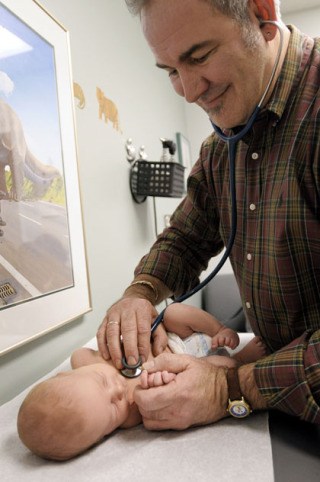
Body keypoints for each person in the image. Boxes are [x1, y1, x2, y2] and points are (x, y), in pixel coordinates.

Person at [96, 0, 320, 428]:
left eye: (199, 57)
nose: (189, 91)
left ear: (262, 14)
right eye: (170, 71)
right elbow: (186, 238)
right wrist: (139, 296)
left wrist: (230, 389)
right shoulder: (221, 149)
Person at [17, 303, 266, 460]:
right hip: (197, 365)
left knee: (174, 311)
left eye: (102, 383)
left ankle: (219, 329)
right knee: (222, 367)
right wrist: (161, 378)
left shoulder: (84, 363)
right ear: (102, 436)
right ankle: (241, 358)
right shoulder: (134, 414)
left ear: (66, 375)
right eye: (113, 407)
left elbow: (81, 355)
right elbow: (171, 394)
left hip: (174, 336)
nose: (117, 390)